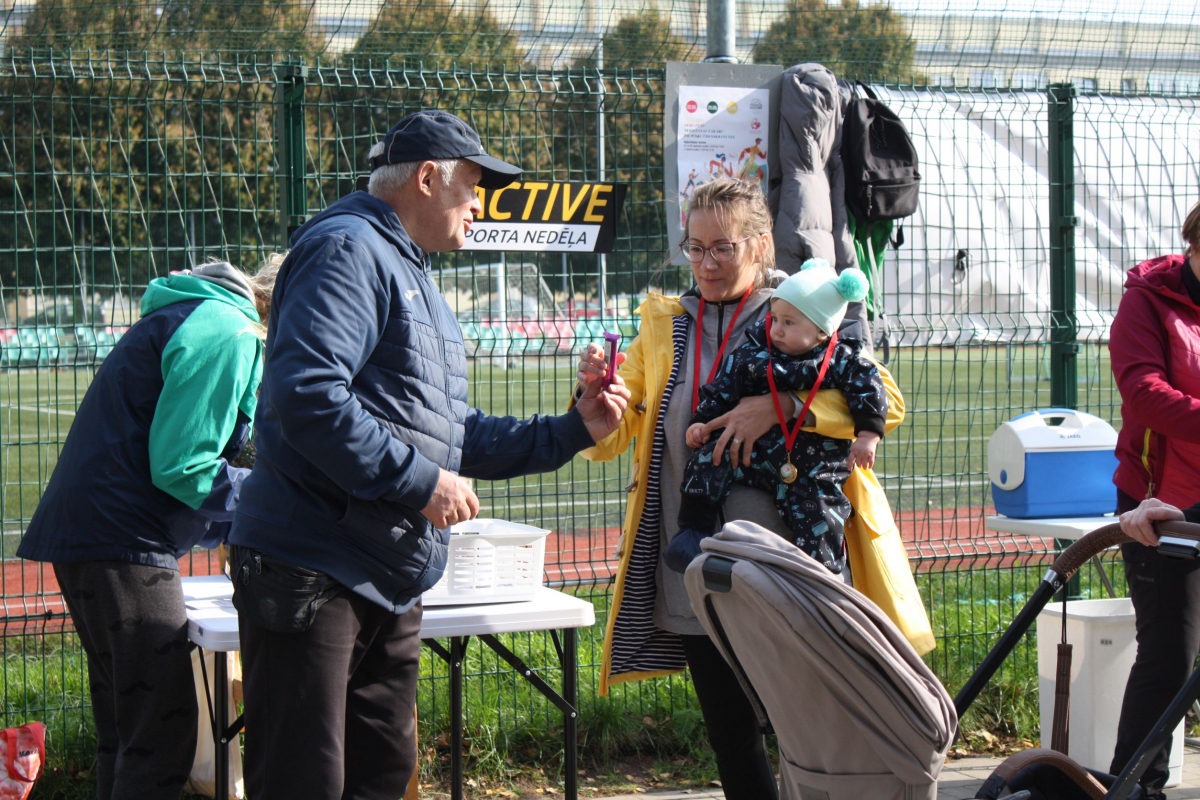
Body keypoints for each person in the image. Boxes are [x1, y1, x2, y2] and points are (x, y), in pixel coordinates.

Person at [227, 110, 630, 800]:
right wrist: (420, 484)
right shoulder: (349, 249)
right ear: (425, 179)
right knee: (303, 780)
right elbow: (309, 398)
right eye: (472, 187)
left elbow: (447, 431)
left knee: (383, 773)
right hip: (318, 568)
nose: (479, 205)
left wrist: (573, 429)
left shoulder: (406, 269)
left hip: (381, 571)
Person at [573, 178, 904, 800]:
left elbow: (885, 402)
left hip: (788, 561)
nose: (705, 264)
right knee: (729, 732)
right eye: (694, 248)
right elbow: (621, 434)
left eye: (721, 248)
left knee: (803, 722)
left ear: (758, 246)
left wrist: (771, 407)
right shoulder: (664, 323)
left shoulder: (802, 307)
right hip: (693, 552)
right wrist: (599, 403)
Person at [15, 255, 281, 800]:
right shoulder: (228, 332)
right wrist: (277, 495)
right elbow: (182, 466)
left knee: (127, 726)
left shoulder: (203, 315)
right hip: (122, 540)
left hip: (100, 535)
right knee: (161, 731)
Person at [667, 258, 887, 574]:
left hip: (816, 463)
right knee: (708, 458)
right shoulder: (756, 351)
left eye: (789, 323)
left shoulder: (843, 358)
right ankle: (692, 530)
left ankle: (820, 574)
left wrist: (868, 435)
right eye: (775, 319)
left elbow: (870, 391)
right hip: (755, 452)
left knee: (820, 512)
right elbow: (724, 384)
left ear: (822, 332)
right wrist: (702, 420)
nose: (777, 330)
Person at [1108, 199, 1200, 800]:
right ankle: (1136, 788)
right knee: (1169, 658)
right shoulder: (1147, 300)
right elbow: (1144, 395)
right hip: (1162, 506)